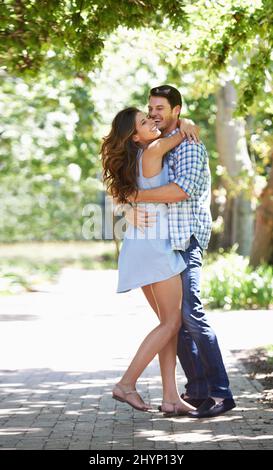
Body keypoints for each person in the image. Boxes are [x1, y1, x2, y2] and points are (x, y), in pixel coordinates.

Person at [127, 85, 236, 418]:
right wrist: (124, 201)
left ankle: (221, 393)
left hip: (185, 238)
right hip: (162, 243)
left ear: (176, 110)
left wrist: (134, 197)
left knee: (190, 314)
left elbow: (181, 191)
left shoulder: (189, 143)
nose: (155, 113)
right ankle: (198, 389)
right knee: (173, 320)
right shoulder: (154, 143)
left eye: (161, 108)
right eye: (151, 108)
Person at [101, 107, 199, 416]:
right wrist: (186, 121)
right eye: (145, 121)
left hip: (140, 245)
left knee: (167, 325)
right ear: (135, 136)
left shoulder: (134, 163)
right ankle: (126, 384)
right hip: (156, 247)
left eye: (149, 116)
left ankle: (170, 397)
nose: (152, 121)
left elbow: (119, 196)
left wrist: (129, 203)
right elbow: (179, 131)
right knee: (172, 322)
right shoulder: (155, 149)